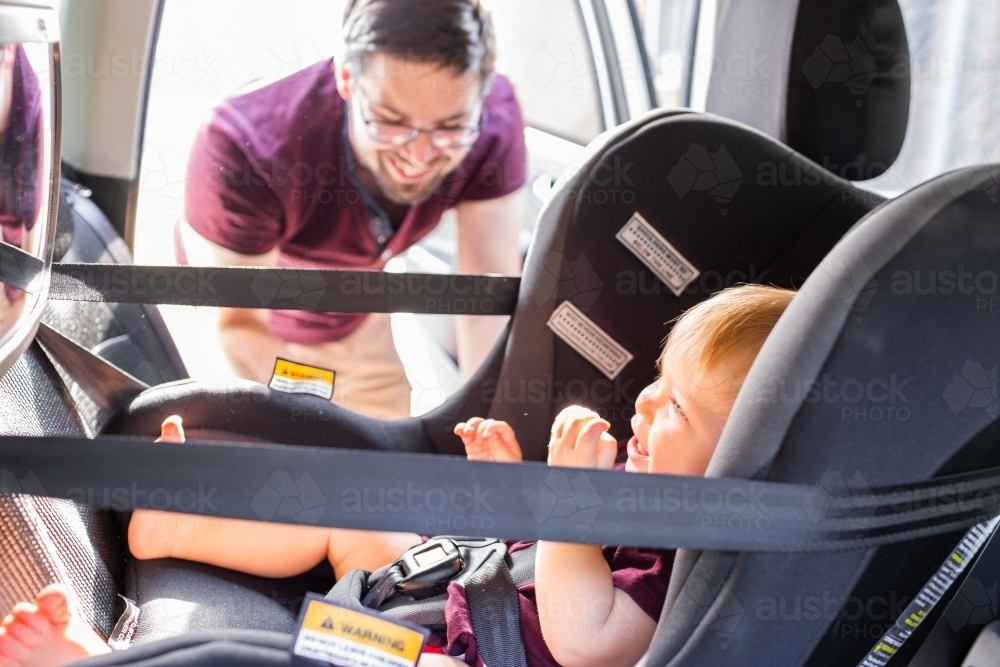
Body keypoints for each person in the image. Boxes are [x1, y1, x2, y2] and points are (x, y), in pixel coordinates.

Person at [0, 285, 796, 667]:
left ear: (740, 464)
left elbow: (585, 637)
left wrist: (564, 508)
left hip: (465, 658)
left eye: (679, 409)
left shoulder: (694, 583)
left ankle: (97, 659)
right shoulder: (645, 488)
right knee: (351, 518)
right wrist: (514, 490)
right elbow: (528, 560)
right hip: (452, 591)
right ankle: (174, 522)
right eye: (657, 377)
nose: (646, 402)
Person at [179, 0, 526, 419]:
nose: (418, 156)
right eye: (390, 120)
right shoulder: (245, 148)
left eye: (450, 128)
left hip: (355, 305)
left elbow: (483, 297)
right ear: (346, 77)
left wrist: (492, 427)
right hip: (256, 319)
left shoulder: (495, 121)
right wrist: (327, 408)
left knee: (391, 438)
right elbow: (239, 328)